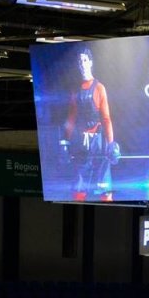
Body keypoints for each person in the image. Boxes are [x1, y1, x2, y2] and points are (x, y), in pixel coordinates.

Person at [59, 47, 120, 202]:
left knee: (104, 188)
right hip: (80, 143)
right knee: (79, 188)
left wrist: (111, 143)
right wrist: (65, 143)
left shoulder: (99, 88)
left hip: (98, 142)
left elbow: (106, 118)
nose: (82, 63)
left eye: (85, 60)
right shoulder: (75, 90)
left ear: (90, 62)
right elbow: (71, 117)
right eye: (80, 61)